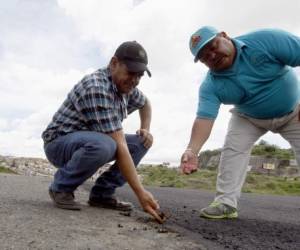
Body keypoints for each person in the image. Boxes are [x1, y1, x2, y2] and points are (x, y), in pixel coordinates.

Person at [180, 26, 300, 219]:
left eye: (213, 46)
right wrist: (192, 151)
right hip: (249, 117)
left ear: (225, 36)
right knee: (232, 150)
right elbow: (204, 119)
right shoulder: (210, 86)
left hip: (294, 112)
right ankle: (225, 203)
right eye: (204, 56)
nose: (212, 55)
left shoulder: (266, 40)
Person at [42, 41, 163, 223]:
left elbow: (145, 103)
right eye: (131, 73)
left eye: (139, 76)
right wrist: (141, 193)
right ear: (114, 63)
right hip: (58, 144)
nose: (134, 80)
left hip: (90, 142)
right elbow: (120, 146)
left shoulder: (127, 88)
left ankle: (102, 195)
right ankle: (61, 187)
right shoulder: (96, 87)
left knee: (141, 142)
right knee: (105, 144)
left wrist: (145, 128)